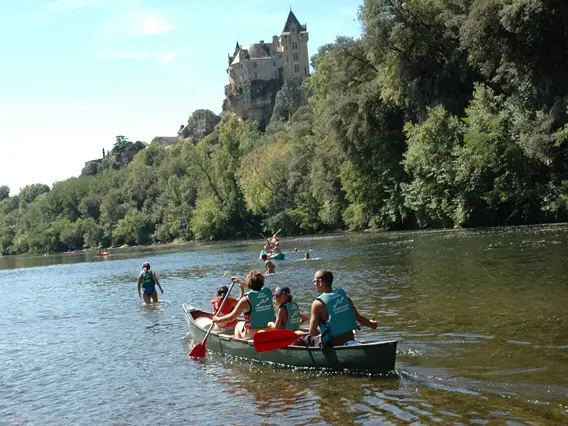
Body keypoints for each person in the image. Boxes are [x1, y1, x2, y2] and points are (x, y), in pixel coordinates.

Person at [296, 270, 378, 347]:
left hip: (331, 343)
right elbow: (359, 319)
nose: (314, 284)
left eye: (315, 281)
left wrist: (303, 334)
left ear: (320, 282)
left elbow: (312, 333)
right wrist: (372, 324)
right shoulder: (345, 298)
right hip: (350, 339)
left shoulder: (317, 304)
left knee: (298, 337)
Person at [212, 270, 275, 339]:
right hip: (270, 329)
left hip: (254, 333)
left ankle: (238, 345)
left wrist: (217, 319)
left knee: (238, 325)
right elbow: (256, 287)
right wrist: (240, 282)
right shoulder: (268, 292)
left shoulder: (245, 300)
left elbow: (231, 318)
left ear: (249, 283)